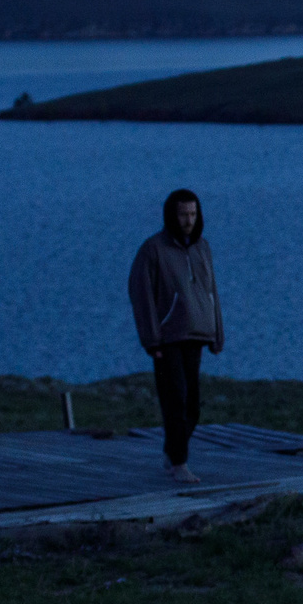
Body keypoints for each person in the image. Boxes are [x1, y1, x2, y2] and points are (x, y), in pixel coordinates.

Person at [128, 188, 224, 484]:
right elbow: (140, 294)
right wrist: (152, 340)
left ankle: (172, 453)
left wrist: (216, 333)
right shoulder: (153, 250)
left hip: (196, 335)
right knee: (176, 401)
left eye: (193, 214)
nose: (188, 220)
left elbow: (211, 292)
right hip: (167, 338)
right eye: (183, 214)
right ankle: (179, 464)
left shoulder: (203, 248)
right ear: (172, 214)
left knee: (192, 405)